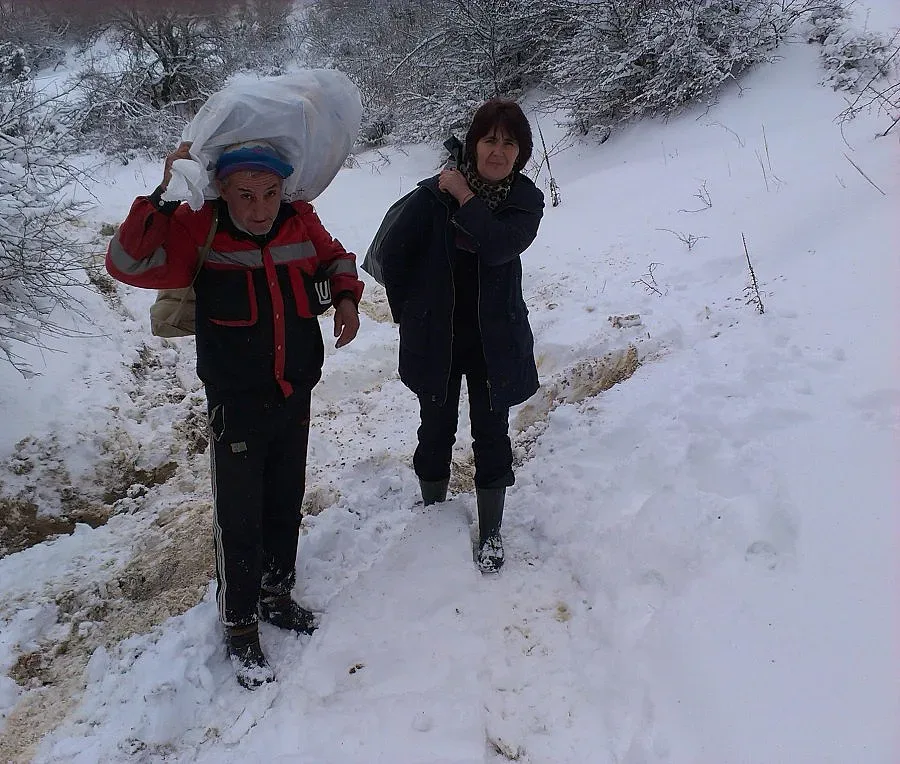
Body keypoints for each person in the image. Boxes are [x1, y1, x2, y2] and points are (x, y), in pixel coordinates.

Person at [106, 140, 364, 689]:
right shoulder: (200, 227)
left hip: (294, 392)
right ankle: (240, 623)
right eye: (246, 194)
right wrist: (167, 193)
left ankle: (276, 594)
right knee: (239, 514)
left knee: (284, 499)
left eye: (270, 192)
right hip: (236, 402)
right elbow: (127, 261)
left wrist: (345, 297)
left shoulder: (298, 221)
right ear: (222, 189)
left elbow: (337, 257)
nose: (260, 207)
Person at [369, 99, 544, 573]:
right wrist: (412, 314)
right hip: (438, 342)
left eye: (510, 143)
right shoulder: (431, 196)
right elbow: (391, 256)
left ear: (521, 152)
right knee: (436, 432)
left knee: (492, 436)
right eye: (490, 139)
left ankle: (490, 532)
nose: (498, 150)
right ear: (474, 143)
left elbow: (496, 246)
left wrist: (465, 196)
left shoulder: (524, 201)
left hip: (495, 343)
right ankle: (433, 518)